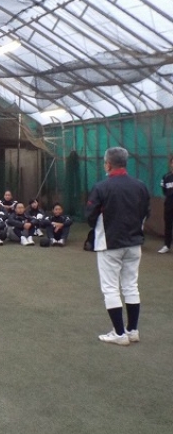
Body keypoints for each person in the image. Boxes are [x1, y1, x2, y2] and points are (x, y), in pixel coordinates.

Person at [86, 147, 150, 346]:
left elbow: (90, 215)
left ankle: (120, 334)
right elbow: (146, 212)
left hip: (110, 243)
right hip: (134, 242)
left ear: (108, 164)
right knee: (131, 285)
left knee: (110, 288)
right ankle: (132, 330)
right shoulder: (140, 186)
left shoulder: (101, 187)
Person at [158, 155, 173, 254]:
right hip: (169, 205)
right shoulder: (166, 177)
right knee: (168, 225)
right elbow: (164, 191)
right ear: (171, 164)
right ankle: (167, 245)